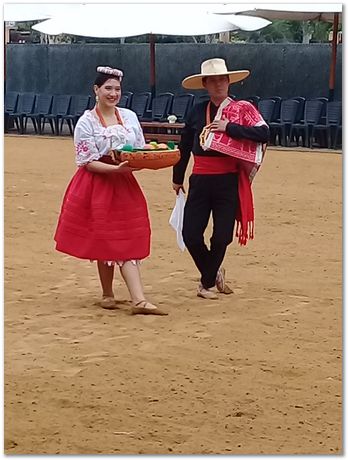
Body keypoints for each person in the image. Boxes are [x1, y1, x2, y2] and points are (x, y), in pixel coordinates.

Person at [54, 66, 167, 315]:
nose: (113, 93)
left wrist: (147, 160)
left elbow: (138, 149)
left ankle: (125, 297)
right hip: (97, 183)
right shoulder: (86, 122)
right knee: (106, 235)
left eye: (117, 89)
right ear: (96, 90)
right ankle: (123, 296)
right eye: (108, 88)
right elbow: (86, 161)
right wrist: (116, 170)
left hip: (124, 182)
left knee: (123, 234)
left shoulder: (128, 116)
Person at [172, 58, 270, 300]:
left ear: (228, 82)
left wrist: (229, 128)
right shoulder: (196, 111)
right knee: (191, 234)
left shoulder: (242, 109)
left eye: (222, 80)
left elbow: (264, 132)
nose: (219, 85)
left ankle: (206, 283)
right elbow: (185, 145)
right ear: (205, 84)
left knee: (222, 235)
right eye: (213, 81)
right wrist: (177, 176)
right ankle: (214, 273)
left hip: (228, 179)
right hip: (200, 178)